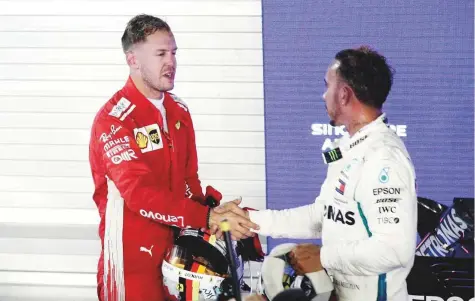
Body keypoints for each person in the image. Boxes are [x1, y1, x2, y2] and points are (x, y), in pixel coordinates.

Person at [217, 46, 418, 301]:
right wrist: (251, 221)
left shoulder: (384, 159)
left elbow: (394, 250)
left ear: (344, 94)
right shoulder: (347, 148)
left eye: (328, 86)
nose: (324, 96)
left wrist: (322, 257)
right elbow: (323, 216)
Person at [88, 14, 258, 301]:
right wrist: (205, 215)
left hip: (180, 258)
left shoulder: (179, 111)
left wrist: (214, 214)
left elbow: (189, 180)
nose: (171, 61)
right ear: (133, 60)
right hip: (132, 265)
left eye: (174, 53)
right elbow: (139, 194)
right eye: (160, 54)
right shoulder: (114, 121)